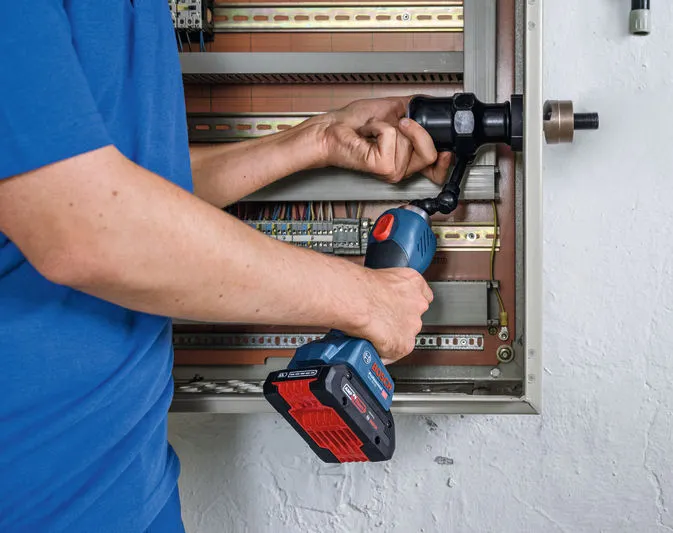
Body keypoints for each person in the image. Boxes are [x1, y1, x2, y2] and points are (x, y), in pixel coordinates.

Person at [0, 2, 452, 532]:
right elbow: (82, 226)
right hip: (28, 494)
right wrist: (364, 299)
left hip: (126, 485)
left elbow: (127, 184)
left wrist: (316, 139)